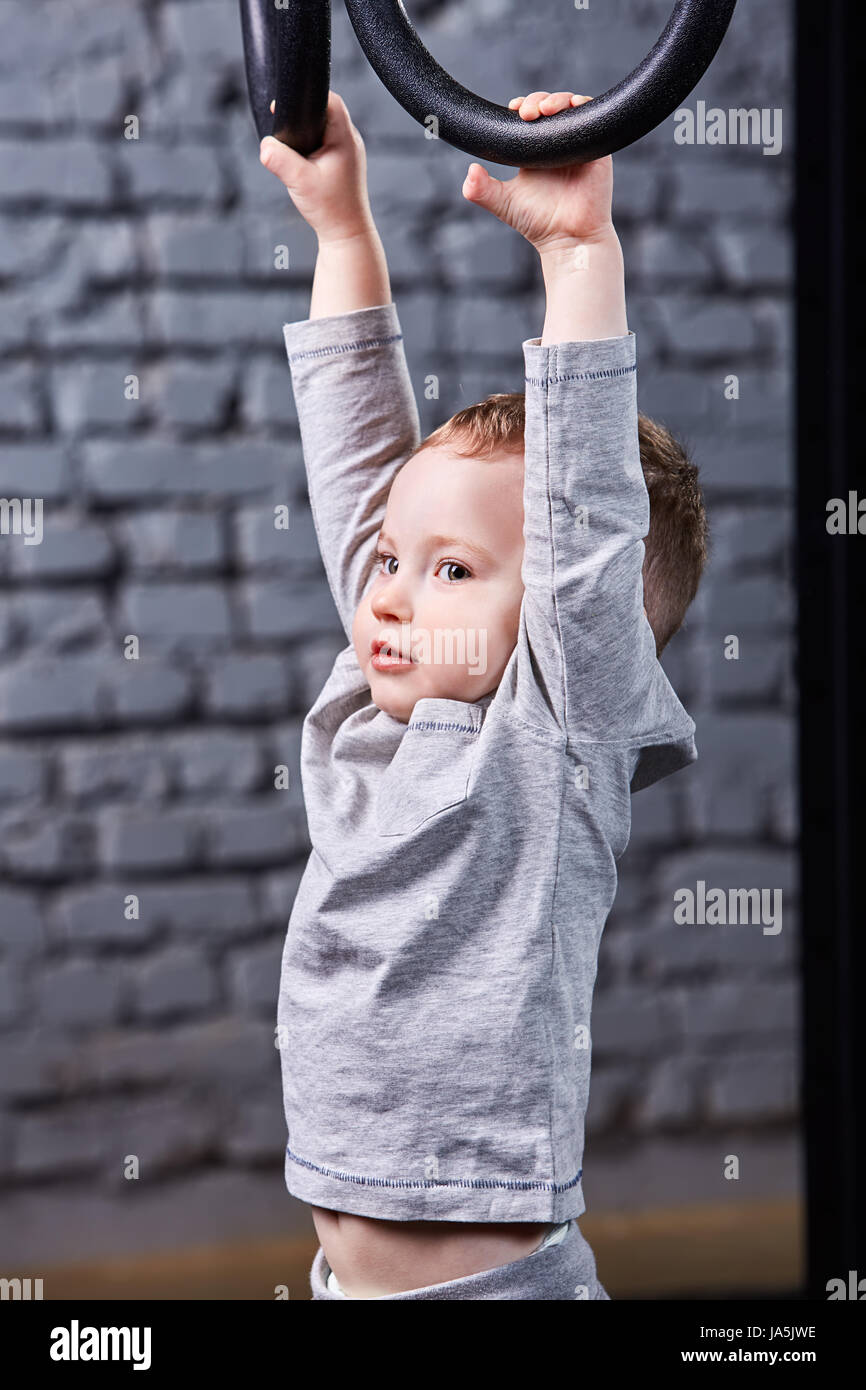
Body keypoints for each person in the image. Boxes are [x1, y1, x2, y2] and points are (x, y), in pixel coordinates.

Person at [259, 87, 707, 1300]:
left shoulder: (550, 722)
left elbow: (578, 539)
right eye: (394, 562)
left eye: (450, 569)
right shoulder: (382, 683)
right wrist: (342, 232)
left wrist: (573, 253)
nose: (391, 594)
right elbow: (360, 467)